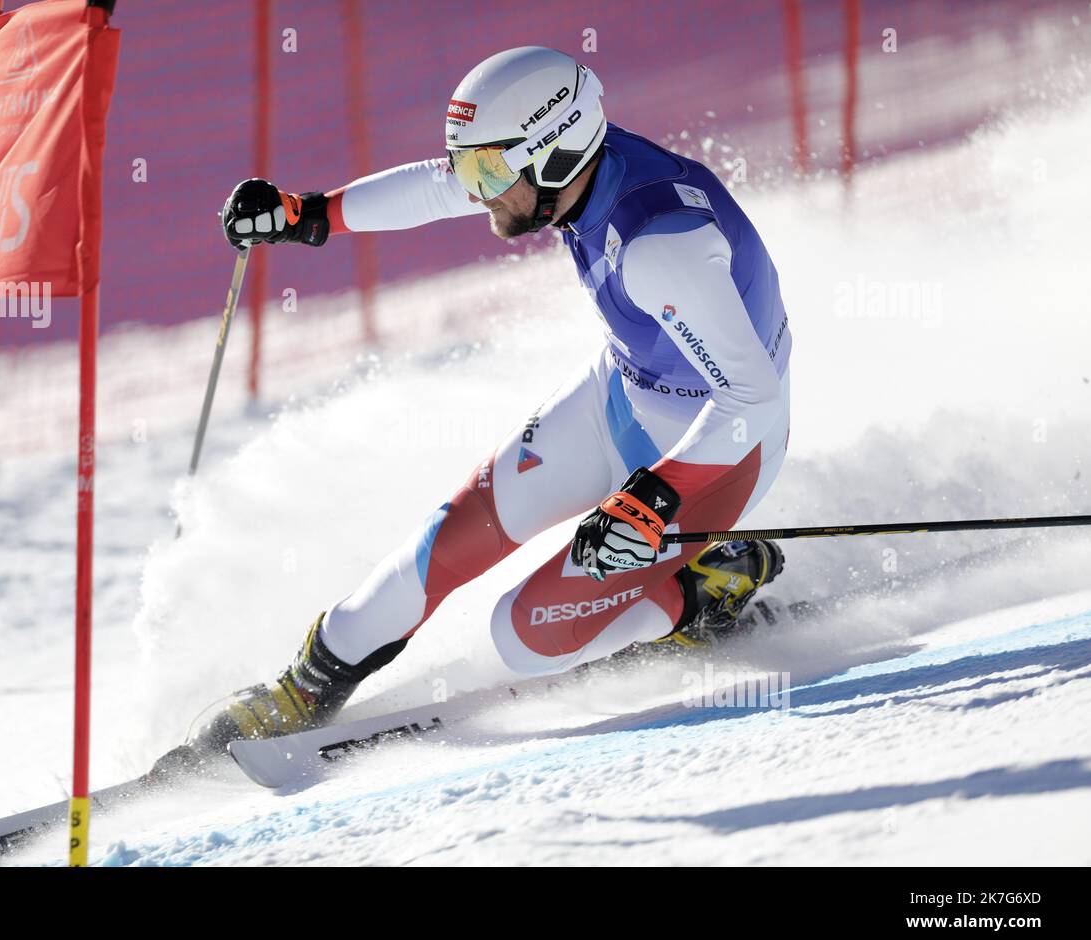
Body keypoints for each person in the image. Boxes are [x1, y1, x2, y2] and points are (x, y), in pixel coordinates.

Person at [176, 46, 792, 760]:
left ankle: (706, 588)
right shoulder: (572, 171)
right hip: (622, 397)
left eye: (487, 172)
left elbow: (753, 398)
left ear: (554, 155)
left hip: (717, 455)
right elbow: (433, 188)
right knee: (452, 536)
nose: (474, 189)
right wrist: (308, 215)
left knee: (526, 637)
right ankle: (306, 687)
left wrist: (654, 498)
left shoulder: (660, 248)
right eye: (471, 167)